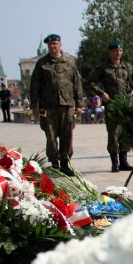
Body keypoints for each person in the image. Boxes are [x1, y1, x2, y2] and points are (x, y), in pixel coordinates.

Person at [29, 34, 85, 176]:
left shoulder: (70, 62)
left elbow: (77, 84)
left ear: (60, 44)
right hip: (48, 107)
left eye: (55, 43)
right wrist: (34, 105)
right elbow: (35, 85)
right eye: (50, 45)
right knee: (51, 136)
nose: (53, 47)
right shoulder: (42, 64)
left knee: (67, 136)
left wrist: (79, 104)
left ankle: (65, 164)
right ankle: (54, 164)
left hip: (67, 106)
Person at [87, 40, 133, 172]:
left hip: (125, 104)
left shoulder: (127, 67)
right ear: (110, 52)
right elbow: (91, 82)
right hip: (111, 104)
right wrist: (101, 93)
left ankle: (124, 161)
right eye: (115, 51)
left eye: (120, 50)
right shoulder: (103, 68)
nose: (118, 53)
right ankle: (114, 162)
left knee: (124, 133)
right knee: (113, 133)